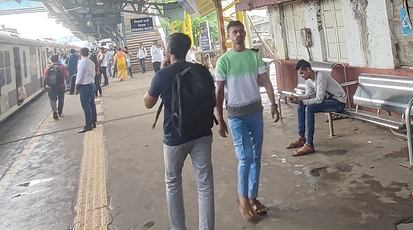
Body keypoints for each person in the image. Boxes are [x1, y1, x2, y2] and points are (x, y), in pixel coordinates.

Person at [144, 33, 217, 230]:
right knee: (205, 184)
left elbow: (148, 103)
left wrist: (161, 71)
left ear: (169, 51)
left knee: (173, 182)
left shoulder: (162, 75)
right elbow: (214, 99)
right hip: (202, 133)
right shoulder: (202, 71)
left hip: (174, 137)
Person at [214, 20, 279, 222]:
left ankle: (253, 197)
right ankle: (242, 198)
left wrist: (273, 103)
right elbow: (218, 91)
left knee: (256, 156)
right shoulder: (224, 60)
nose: (239, 35)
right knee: (246, 157)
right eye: (235, 32)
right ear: (228, 35)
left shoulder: (254, 56)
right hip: (235, 115)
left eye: (241, 31)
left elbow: (266, 81)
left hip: (255, 112)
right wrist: (220, 117)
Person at [284, 60, 347, 156]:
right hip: (327, 100)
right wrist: (297, 98)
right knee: (300, 106)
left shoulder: (320, 76)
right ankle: (301, 137)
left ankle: (309, 144)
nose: (301, 75)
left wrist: (301, 101)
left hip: (338, 101)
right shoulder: (309, 80)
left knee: (309, 108)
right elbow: (308, 95)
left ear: (308, 69)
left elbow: (319, 99)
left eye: (302, 73)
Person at [76, 47, 98, 132]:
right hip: (92, 84)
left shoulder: (82, 63)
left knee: (86, 106)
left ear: (80, 53)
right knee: (92, 104)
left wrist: (76, 86)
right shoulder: (91, 62)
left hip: (85, 86)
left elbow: (80, 76)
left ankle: (88, 125)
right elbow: (94, 73)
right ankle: (93, 122)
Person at [44, 54, 67, 120]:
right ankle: (60, 112)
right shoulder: (62, 67)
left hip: (51, 87)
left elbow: (44, 78)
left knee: (52, 100)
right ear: (58, 60)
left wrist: (44, 87)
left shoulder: (47, 68)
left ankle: (54, 110)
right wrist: (68, 82)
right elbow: (66, 76)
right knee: (61, 99)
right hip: (60, 86)